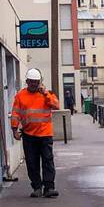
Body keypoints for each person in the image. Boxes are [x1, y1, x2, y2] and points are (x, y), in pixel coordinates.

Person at [11, 68, 61, 198]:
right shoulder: (20, 96)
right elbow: (15, 113)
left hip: (45, 134)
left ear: (40, 82)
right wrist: (14, 130)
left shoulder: (46, 94)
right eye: (31, 82)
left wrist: (46, 94)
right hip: (29, 134)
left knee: (48, 161)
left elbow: (56, 105)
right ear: (27, 81)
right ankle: (37, 187)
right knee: (32, 162)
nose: (34, 84)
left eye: (36, 82)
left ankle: (49, 187)